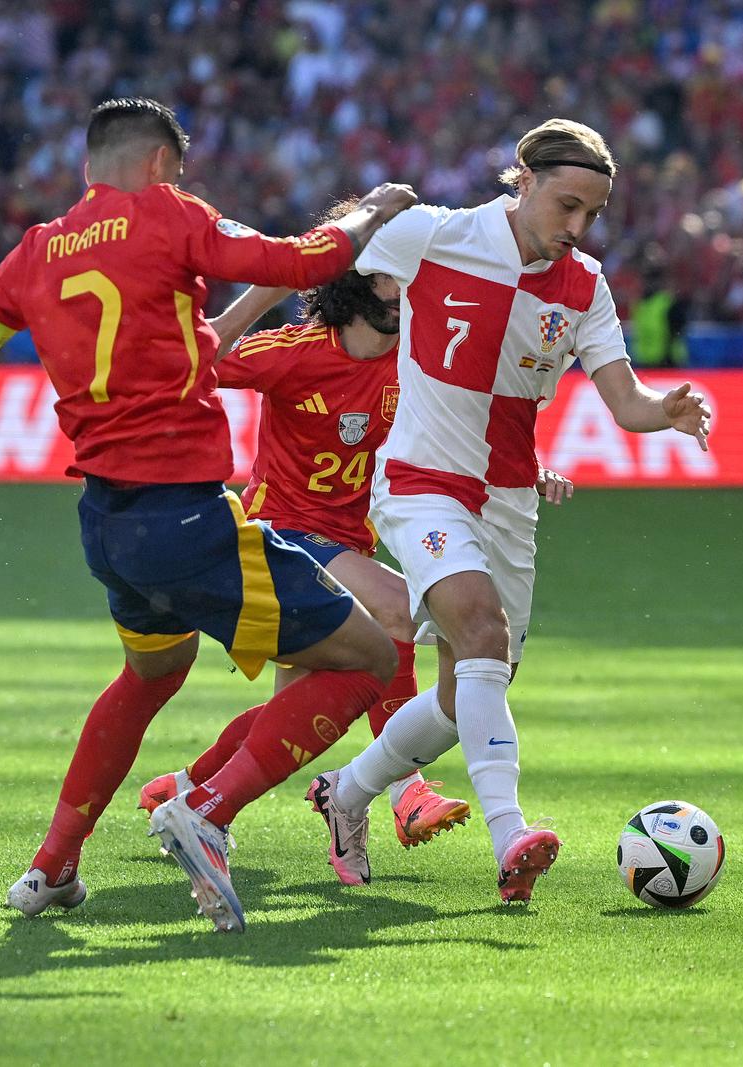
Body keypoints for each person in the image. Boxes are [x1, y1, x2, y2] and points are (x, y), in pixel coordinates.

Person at [0, 98, 415, 933]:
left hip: (105, 523)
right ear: (161, 165)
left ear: (86, 168)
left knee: (151, 676)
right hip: (187, 517)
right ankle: (206, 808)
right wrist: (374, 212)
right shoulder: (169, 217)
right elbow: (291, 261)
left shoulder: (32, 255)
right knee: (371, 657)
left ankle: (51, 867)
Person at [303, 117, 712, 903]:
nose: (576, 227)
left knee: (470, 692)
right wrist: (229, 323)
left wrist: (669, 409)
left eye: (591, 214)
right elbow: (317, 261)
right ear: (520, 181)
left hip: (510, 498)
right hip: (422, 480)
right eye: (566, 205)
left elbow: (624, 401)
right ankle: (510, 835)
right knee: (483, 632)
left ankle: (347, 792)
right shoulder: (435, 234)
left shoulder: (584, 285)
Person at [135, 226, 571, 870]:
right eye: (389, 276)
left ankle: (188, 788)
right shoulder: (294, 351)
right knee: (401, 608)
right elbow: (198, 366)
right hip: (277, 533)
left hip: (350, 542)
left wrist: (525, 468)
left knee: (303, 715)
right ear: (355, 281)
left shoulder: (418, 364)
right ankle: (405, 791)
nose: (403, 290)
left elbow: (471, 430)